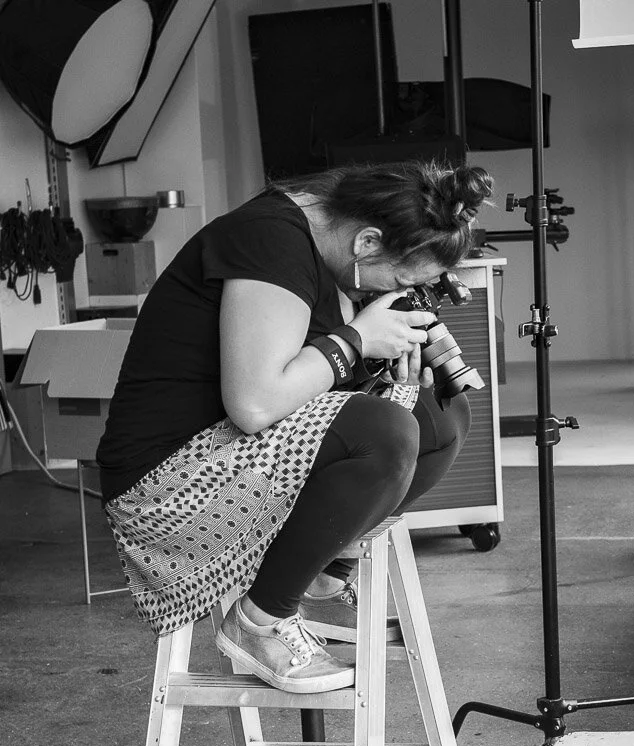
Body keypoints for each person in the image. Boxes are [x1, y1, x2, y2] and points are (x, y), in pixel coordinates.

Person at [96, 159, 493, 692]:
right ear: (367, 242)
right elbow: (255, 403)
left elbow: (310, 383)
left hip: (239, 450)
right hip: (171, 478)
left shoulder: (329, 248)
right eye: (400, 282)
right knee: (383, 430)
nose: (396, 293)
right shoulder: (270, 242)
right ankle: (260, 621)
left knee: (441, 416)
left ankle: (320, 580)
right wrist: (357, 338)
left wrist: (379, 354)